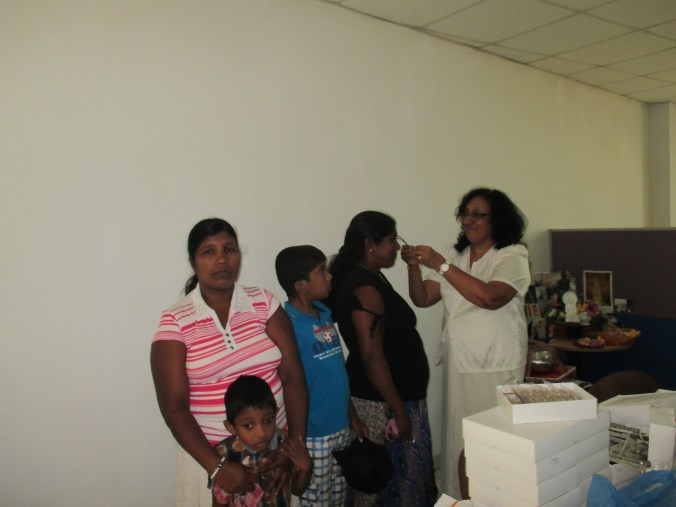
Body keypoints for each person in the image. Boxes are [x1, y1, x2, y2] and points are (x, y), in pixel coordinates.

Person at [151, 218, 308, 507]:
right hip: (208, 461)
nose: (222, 259)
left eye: (229, 249)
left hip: (273, 454)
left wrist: (293, 448)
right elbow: (174, 406)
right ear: (193, 262)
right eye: (209, 251)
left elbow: (293, 374)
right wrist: (218, 468)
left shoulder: (264, 302)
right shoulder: (175, 320)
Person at [402, 187, 530, 498]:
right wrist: (414, 268)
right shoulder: (455, 253)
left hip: (495, 364)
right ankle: (458, 497)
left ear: (497, 219)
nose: (468, 220)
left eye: (478, 214)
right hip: (459, 360)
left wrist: (440, 264)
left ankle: (493, 498)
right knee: (459, 434)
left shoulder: (512, 255)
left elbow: (490, 298)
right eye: (465, 214)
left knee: (492, 439)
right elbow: (423, 298)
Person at [328, 211, 438, 507]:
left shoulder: (371, 277)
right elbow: (371, 358)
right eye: (391, 240)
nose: (397, 247)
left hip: (394, 399)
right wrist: (399, 411)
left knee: (402, 485)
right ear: (370, 245)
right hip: (381, 405)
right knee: (382, 487)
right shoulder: (364, 288)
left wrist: (413, 267)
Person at [275, 245, 368, 506]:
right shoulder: (288, 325)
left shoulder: (325, 315)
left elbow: (336, 375)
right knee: (316, 500)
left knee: (340, 497)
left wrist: (353, 417)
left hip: (341, 428)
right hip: (314, 434)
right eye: (321, 271)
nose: (329, 276)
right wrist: (298, 440)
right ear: (301, 286)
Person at [212, 375, 313, 506]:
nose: (261, 433)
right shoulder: (225, 453)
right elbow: (219, 502)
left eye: (268, 420)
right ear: (231, 427)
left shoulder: (286, 443)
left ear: (275, 413)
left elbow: (297, 490)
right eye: (248, 425)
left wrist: (306, 467)